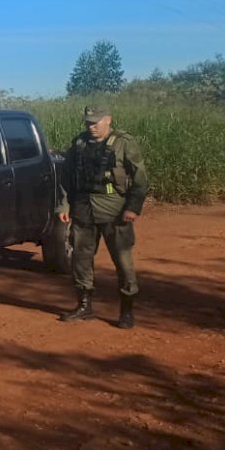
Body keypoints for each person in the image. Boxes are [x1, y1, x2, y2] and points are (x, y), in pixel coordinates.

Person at [56, 105, 149, 329]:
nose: (92, 126)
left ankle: (126, 311)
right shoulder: (79, 143)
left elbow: (140, 178)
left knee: (123, 260)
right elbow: (66, 176)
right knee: (81, 259)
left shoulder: (124, 143)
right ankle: (84, 306)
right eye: (88, 122)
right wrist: (64, 204)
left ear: (108, 119)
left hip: (114, 210)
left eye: (96, 122)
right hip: (83, 209)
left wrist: (132, 207)